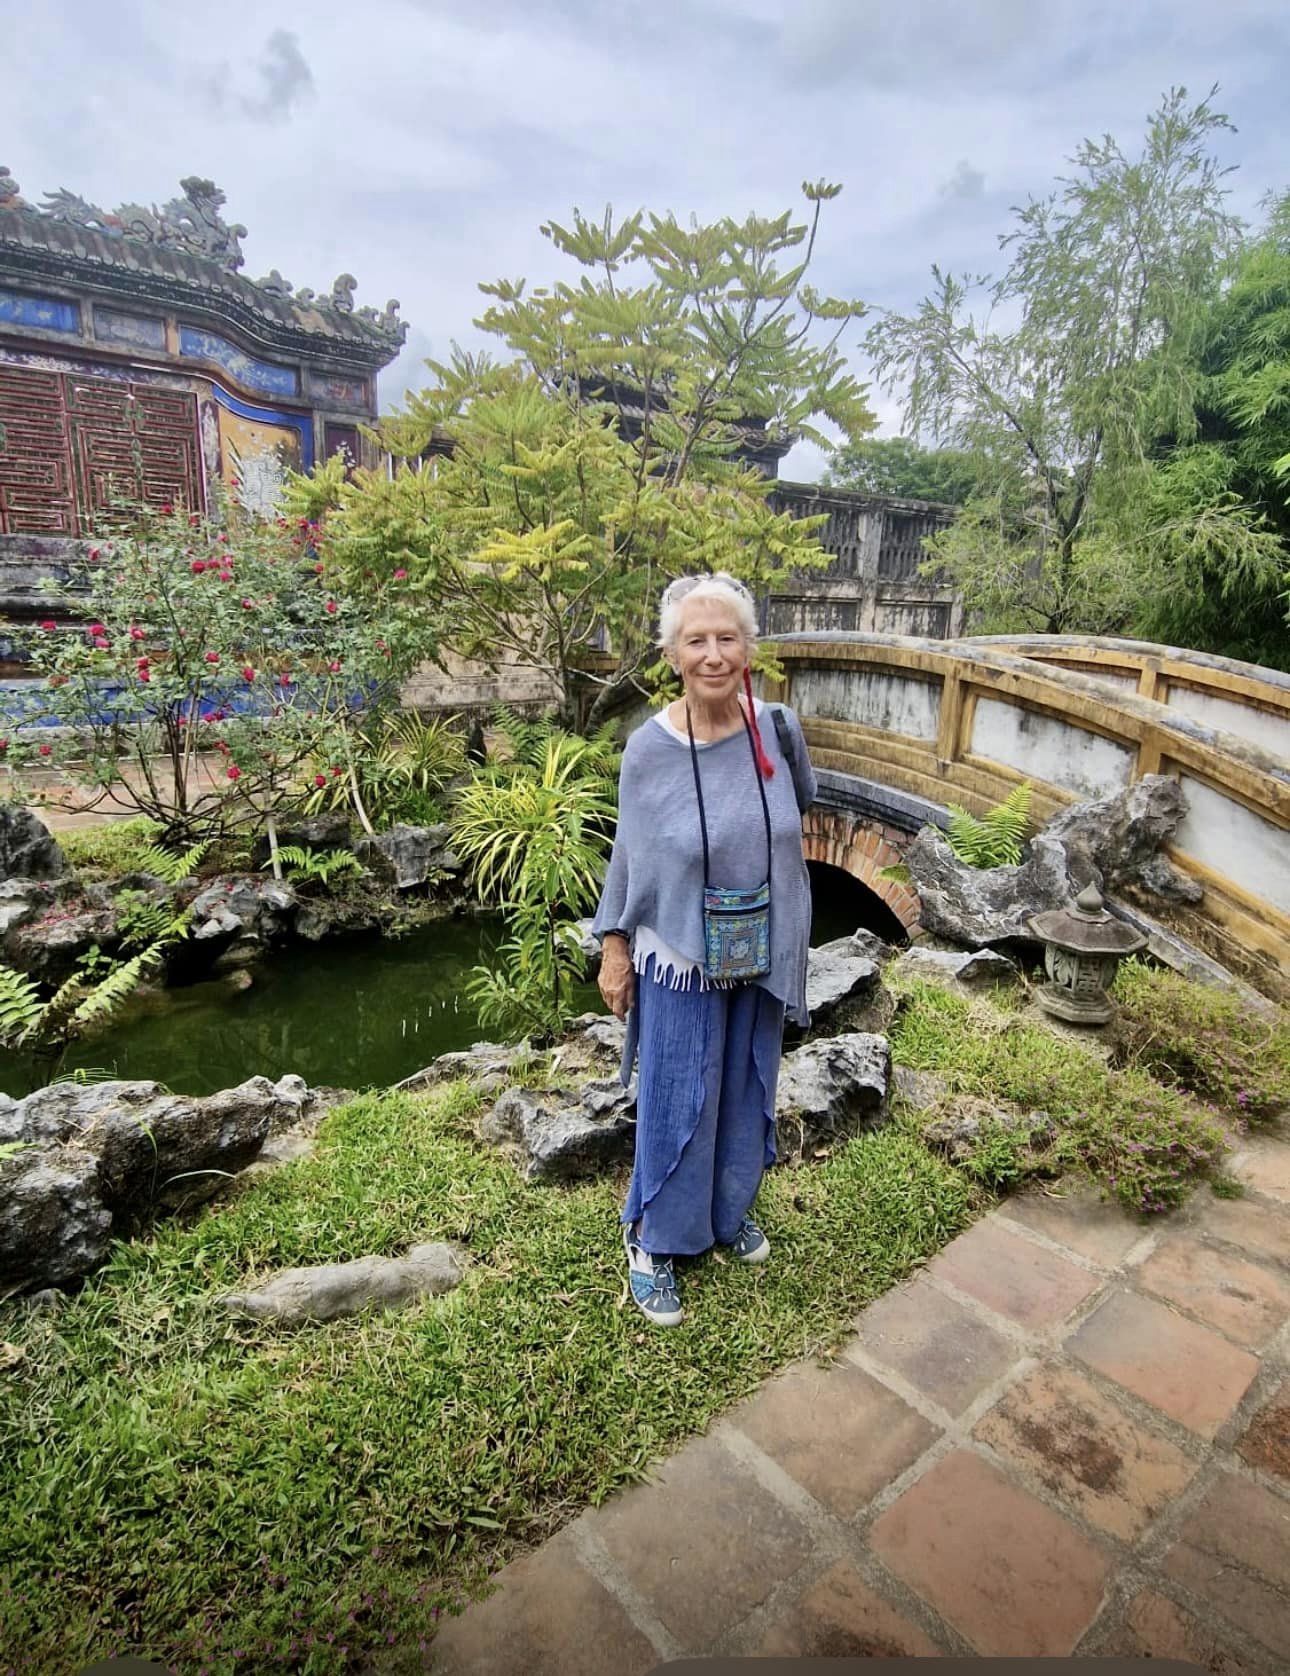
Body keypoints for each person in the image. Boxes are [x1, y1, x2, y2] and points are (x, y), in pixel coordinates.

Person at [592, 573, 817, 1326]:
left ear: (749, 648)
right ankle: (655, 1240)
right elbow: (630, 854)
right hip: (683, 953)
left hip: (760, 945)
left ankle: (727, 1215)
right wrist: (615, 946)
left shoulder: (779, 729)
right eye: (697, 641)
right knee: (679, 1094)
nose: (713, 654)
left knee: (748, 1085)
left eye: (728, 638)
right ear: (672, 654)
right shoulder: (649, 752)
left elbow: (797, 810)